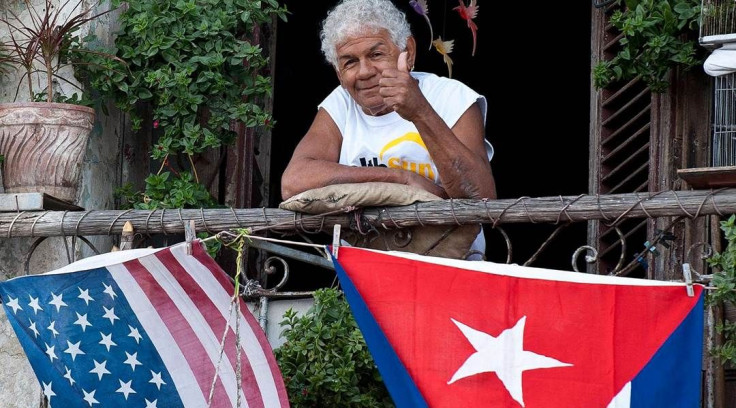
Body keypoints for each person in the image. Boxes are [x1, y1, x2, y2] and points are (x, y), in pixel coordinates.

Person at [281, 0, 496, 257]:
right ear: (339, 73)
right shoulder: (340, 104)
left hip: (451, 267)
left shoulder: (451, 97)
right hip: (363, 275)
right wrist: (400, 178)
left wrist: (420, 111)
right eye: (350, 62)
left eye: (376, 55)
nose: (364, 72)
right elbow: (294, 182)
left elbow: (482, 199)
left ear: (408, 51)